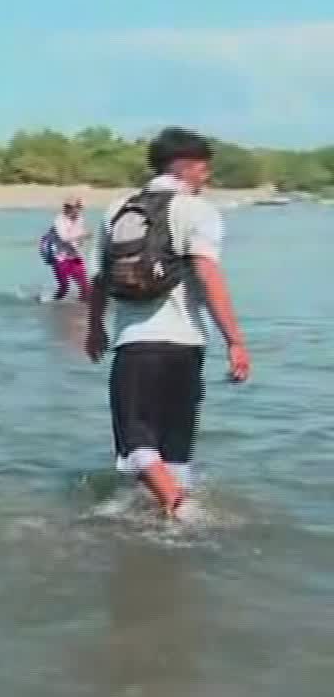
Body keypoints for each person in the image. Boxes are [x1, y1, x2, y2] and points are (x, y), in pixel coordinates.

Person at [85, 127, 250, 518]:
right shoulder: (197, 210)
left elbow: (98, 276)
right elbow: (207, 273)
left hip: (136, 345)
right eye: (203, 168)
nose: (206, 176)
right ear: (185, 166)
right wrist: (235, 341)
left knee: (135, 442)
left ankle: (179, 513)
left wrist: (95, 328)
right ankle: (176, 518)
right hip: (187, 346)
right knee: (175, 448)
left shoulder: (119, 207)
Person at [44, 195, 92, 301]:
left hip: (74, 255)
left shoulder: (79, 218)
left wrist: (82, 240)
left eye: (80, 208)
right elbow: (64, 238)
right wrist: (83, 235)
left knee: (86, 287)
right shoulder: (59, 220)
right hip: (59, 257)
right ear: (69, 208)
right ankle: (49, 303)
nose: (79, 210)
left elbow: (78, 236)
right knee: (65, 287)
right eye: (77, 207)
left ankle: (82, 309)